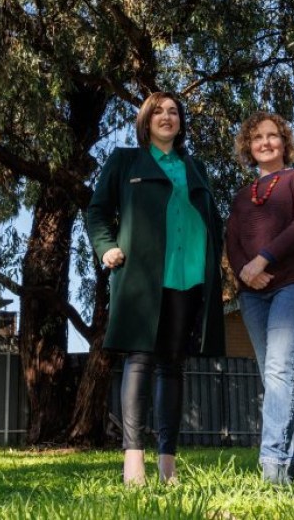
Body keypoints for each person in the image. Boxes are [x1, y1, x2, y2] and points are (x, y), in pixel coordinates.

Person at [84, 91, 225, 486]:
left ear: (181, 123)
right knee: (140, 360)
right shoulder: (126, 160)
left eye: (174, 112)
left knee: (173, 366)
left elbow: (213, 220)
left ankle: (168, 464)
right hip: (143, 276)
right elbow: (97, 210)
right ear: (146, 121)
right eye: (159, 111)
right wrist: (106, 246)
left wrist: (215, 260)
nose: (168, 116)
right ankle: (133, 462)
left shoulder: (194, 166)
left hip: (189, 276)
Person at [226, 110, 294, 486]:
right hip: (255, 293)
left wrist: (262, 259)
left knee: (279, 369)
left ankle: (273, 467)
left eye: (272, 136)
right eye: (257, 138)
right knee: (274, 375)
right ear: (248, 148)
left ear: (284, 142)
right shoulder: (241, 198)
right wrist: (246, 271)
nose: (265, 143)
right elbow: (233, 242)